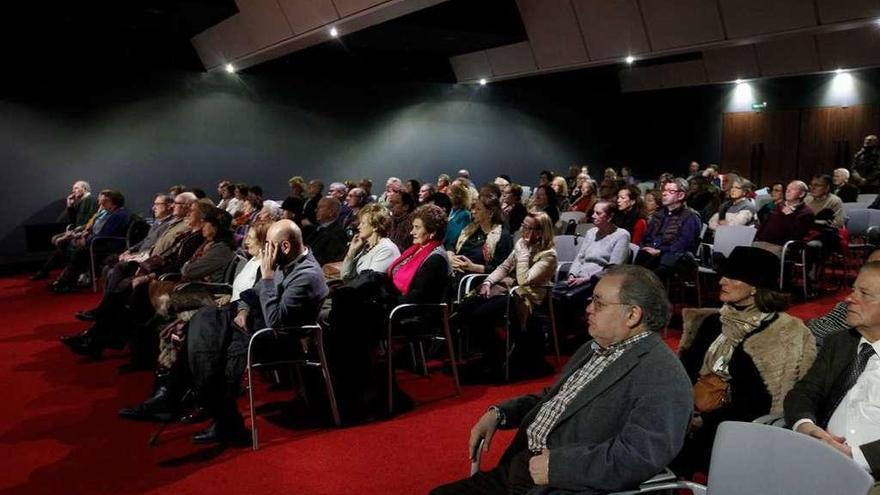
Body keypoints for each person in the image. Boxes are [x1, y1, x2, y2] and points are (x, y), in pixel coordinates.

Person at [433, 265, 692, 494]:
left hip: (565, 484)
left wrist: (559, 467)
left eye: (599, 303)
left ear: (632, 315)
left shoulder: (663, 375)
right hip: (523, 468)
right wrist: (500, 413)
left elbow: (640, 456)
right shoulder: (594, 348)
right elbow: (553, 397)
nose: (588, 308)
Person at [674, 246, 816, 476]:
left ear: (755, 286)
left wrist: (704, 420)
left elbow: (761, 400)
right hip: (689, 413)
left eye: (732, 276)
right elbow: (684, 372)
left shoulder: (782, 332)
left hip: (737, 428)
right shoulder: (712, 322)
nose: (721, 281)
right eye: (723, 275)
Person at [184, 219, 327, 444]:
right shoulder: (284, 260)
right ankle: (185, 394)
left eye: (269, 244)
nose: (265, 250)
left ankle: (215, 410)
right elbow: (253, 293)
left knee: (214, 345)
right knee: (204, 320)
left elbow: (276, 323)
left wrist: (268, 277)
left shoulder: (306, 275)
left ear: (285, 247)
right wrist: (243, 309)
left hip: (277, 340)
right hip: (255, 324)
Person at [785, 260, 880, 478]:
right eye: (853, 289)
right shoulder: (840, 342)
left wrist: (854, 457)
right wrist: (805, 426)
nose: (849, 298)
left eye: (864, 293)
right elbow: (804, 392)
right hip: (816, 457)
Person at [457, 212, 557, 379]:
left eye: (527, 227)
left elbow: (524, 280)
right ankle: (491, 352)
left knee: (482, 313)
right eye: (522, 225)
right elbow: (504, 267)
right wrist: (488, 282)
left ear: (540, 232)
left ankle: (496, 354)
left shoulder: (549, 256)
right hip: (511, 290)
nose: (521, 229)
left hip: (528, 297)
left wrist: (523, 253)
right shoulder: (521, 243)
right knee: (467, 306)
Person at [554, 201, 630, 338]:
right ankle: (556, 331)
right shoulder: (591, 233)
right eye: (593, 212)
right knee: (552, 292)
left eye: (598, 213)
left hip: (598, 280)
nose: (593, 216)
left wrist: (586, 278)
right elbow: (580, 257)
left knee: (566, 297)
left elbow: (613, 267)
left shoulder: (621, 235)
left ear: (610, 217)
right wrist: (572, 273)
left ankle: (567, 333)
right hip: (579, 276)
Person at [50, 189, 131, 293]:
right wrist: (84, 235)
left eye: (104, 201)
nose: (101, 203)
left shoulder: (119, 215)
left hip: (108, 245)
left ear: (112, 203)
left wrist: (87, 241)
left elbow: (105, 235)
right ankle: (67, 279)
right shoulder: (108, 212)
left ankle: (66, 281)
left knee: (80, 251)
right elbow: (94, 229)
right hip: (98, 241)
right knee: (69, 244)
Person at [635, 178, 701, 282]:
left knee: (651, 273)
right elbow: (646, 236)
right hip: (651, 254)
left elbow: (684, 244)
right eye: (664, 190)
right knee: (635, 264)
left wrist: (660, 251)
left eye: (670, 191)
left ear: (681, 195)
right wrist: (645, 247)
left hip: (673, 258)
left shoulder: (690, 217)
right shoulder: (658, 214)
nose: (664, 194)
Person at [32, 180, 99, 280]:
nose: (73, 191)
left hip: (84, 231)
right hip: (77, 230)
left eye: (76, 188)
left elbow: (91, 220)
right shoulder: (81, 201)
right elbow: (73, 219)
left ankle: (66, 269)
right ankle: (64, 268)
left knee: (61, 242)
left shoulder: (90, 200)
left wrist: (78, 230)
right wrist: (70, 204)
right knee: (56, 239)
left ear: (84, 189)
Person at [448, 196, 513, 281]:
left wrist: (474, 267)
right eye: (473, 208)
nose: (473, 212)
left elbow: (502, 268)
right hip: (454, 271)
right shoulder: (470, 228)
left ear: (490, 213)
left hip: (475, 279)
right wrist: (450, 257)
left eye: (478, 209)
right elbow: (451, 245)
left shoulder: (502, 236)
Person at [753, 180, 815, 256]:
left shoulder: (806, 213)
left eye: (793, 189)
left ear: (801, 194)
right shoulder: (778, 206)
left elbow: (796, 235)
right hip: (762, 242)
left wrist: (789, 216)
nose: (788, 191)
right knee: (739, 251)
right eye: (787, 189)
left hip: (781, 245)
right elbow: (764, 226)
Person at [340, 204, 400, 281]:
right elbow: (345, 277)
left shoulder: (386, 249)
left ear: (375, 226)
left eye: (363, 223)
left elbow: (369, 284)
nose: (359, 227)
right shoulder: (367, 247)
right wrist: (352, 250)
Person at [303, 197, 348, 266]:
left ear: (332, 212)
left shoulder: (338, 233)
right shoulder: (317, 229)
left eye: (320, 207)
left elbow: (330, 259)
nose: (316, 210)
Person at [445, 183, 473, 250]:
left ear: (458, 197)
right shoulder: (450, 210)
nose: (447, 198)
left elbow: (456, 236)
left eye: (450, 195)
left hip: (451, 249)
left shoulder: (464, 214)